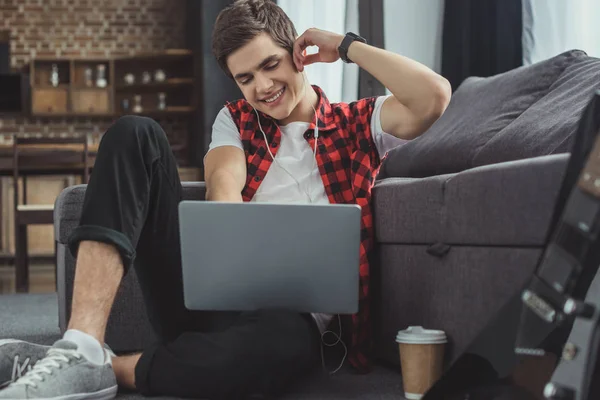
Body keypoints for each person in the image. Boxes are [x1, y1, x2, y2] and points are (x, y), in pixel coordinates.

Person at [0, 0, 451, 399]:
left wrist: (346, 45)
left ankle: (97, 367)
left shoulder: (358, 122)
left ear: (299, 52)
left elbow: (434, 97)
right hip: (212, 300)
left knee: (281, 348)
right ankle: (81, 343)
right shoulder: (235, 120)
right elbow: (224, 185)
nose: (262, 86)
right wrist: (231, 246)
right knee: (134, 133)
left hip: (289, 324)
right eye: (246, 77)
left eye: (271, 64)